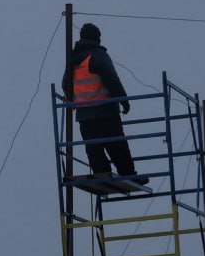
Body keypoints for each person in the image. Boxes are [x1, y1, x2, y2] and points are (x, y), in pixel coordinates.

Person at [61, 23, 146, 184]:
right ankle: (128, 174)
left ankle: (102, 174)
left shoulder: (73, 60)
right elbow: (112, 79)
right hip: (105, 111)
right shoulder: (98, 56)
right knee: (117, 145)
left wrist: (73, 100)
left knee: (94, 149)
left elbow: (65, 84)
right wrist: (123, 101)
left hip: (84, 115)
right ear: (97, 38)